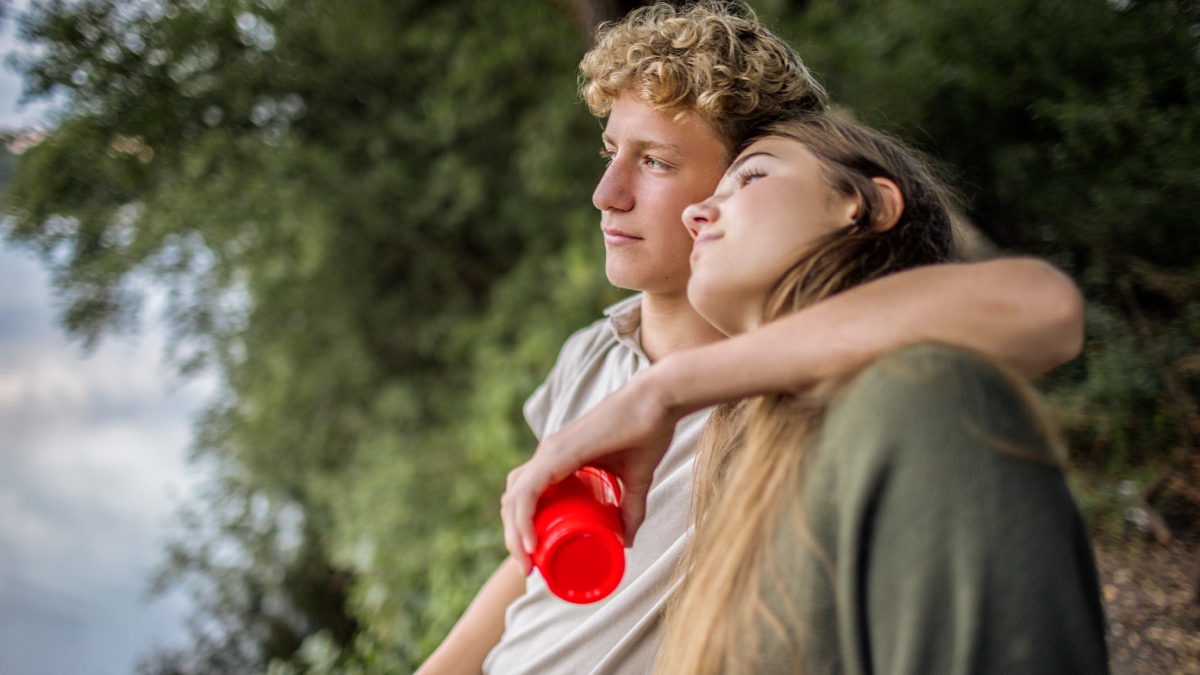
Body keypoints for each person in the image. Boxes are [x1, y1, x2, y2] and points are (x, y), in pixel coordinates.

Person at [421, 3, 1085, 674]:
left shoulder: (809, 388)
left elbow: (1040, 306)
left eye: (655, 161)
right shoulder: (589, 355)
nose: (605, 193)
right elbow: (529, 566)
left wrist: (667, 391)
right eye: (609, 152)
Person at [650, 112, 1107, 673]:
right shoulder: (740, 454)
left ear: (866, 205)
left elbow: (1046, 302)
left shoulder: (924, 400)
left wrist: (664, 390)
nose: (694, 213)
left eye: (751, 178)